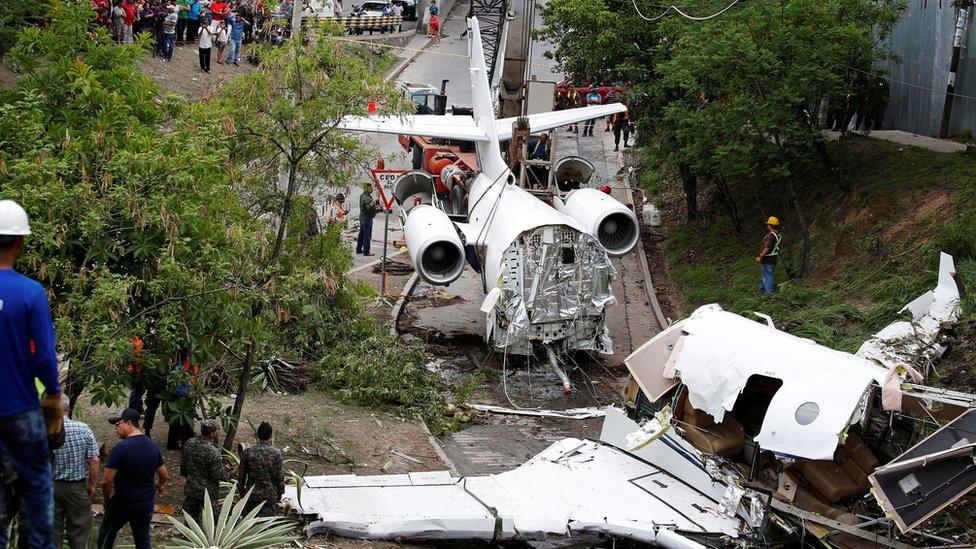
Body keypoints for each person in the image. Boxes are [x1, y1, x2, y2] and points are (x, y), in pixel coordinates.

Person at [0, 199, 63, 549]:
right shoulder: (30, 293)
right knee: (37, 484)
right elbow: (43, 358)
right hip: (20, 409)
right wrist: (52, 395)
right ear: (20, 242)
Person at [97, 408, 168, 549]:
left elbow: (106, 481)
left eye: (118, 424)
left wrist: (106, 501)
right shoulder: (152, 445)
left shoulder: (121, 448)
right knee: (142, 539)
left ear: (129, 423)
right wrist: (159, 485)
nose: (115, 428)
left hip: (123, 503)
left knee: (106, 536)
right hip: (145, 504)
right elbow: (164, 474)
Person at [52, 395, 98, 549]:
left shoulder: (44, 430)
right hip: (77, 488)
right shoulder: (83, 428)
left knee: (52, 532)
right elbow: (94, 460)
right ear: (68, 409)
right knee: (80, 531)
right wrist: (92, 484)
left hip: (50, 486)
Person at [180, 420, 231, 524]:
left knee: (190, 521)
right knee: (208, 522)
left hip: (191, 489)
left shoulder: (190, 443)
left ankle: (187, 538)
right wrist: (230, 473)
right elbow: (218, 474)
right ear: (212, 433)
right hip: (208, 494)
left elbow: (184, 465)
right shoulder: (213, 452)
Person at [238, 422, 283, 517]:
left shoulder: (248, 451)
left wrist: (241, 490)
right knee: (266, 526)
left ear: (257, 435)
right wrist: (280, 493)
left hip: (251, 494)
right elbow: (279, 476)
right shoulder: (276, 454)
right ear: (271, 436)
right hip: (269, 496)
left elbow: (241, 474)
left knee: (249, 523)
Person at [755, 216, 782, 294]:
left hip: (767, 259)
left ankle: (769, 293)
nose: (767, 225)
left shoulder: (771, 235)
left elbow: (767, 247)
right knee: (766, 275)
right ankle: (761, 290)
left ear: (771, 225)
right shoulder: (778, 234)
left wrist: (760, 256)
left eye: (768, 224)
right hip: (773, 259)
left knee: (768, 276)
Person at [355, 184, 380, 256]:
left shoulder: (364, 196)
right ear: (367, 188)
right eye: (370, 187)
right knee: (367, 234)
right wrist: (373, 203)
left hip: (364, 217)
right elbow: (367, 208)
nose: (372, 189)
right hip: (366, 218)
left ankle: (359, 249)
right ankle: (366, 251)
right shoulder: (366, 197)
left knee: (362, 233)